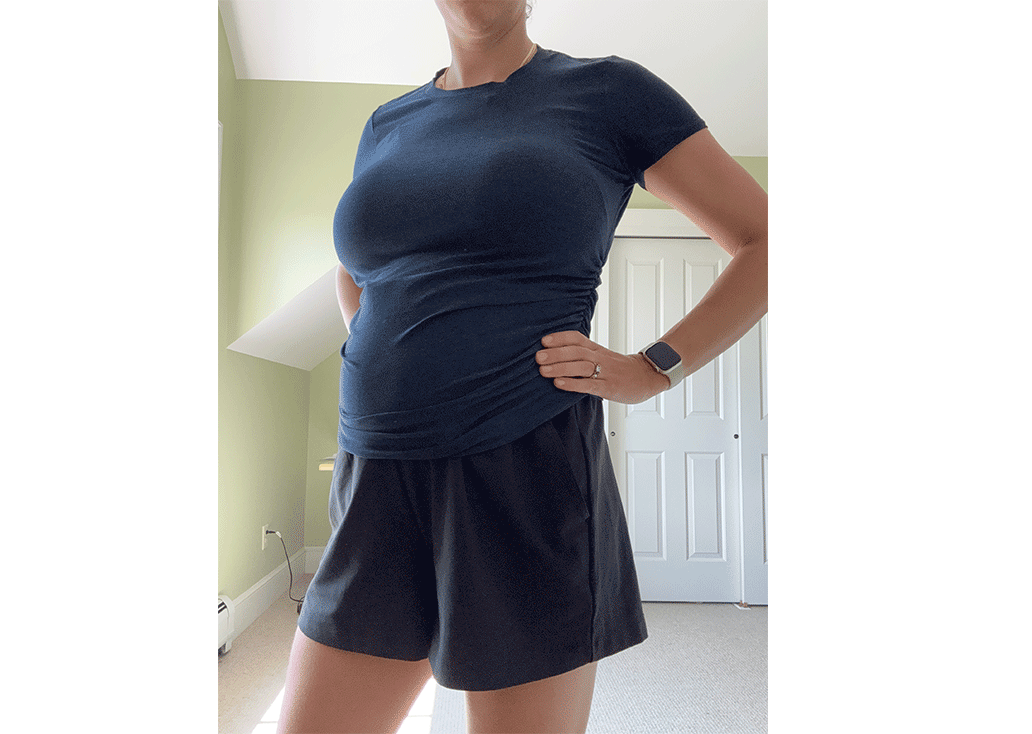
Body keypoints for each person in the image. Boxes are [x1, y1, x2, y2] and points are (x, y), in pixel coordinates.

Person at [276, 1, 767, 731]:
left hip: (522, 463)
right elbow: (358, 267)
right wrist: (376, 350)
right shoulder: (387, 124)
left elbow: (765, 240)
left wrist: (652, 367)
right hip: (374, 469)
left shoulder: (610, 93)